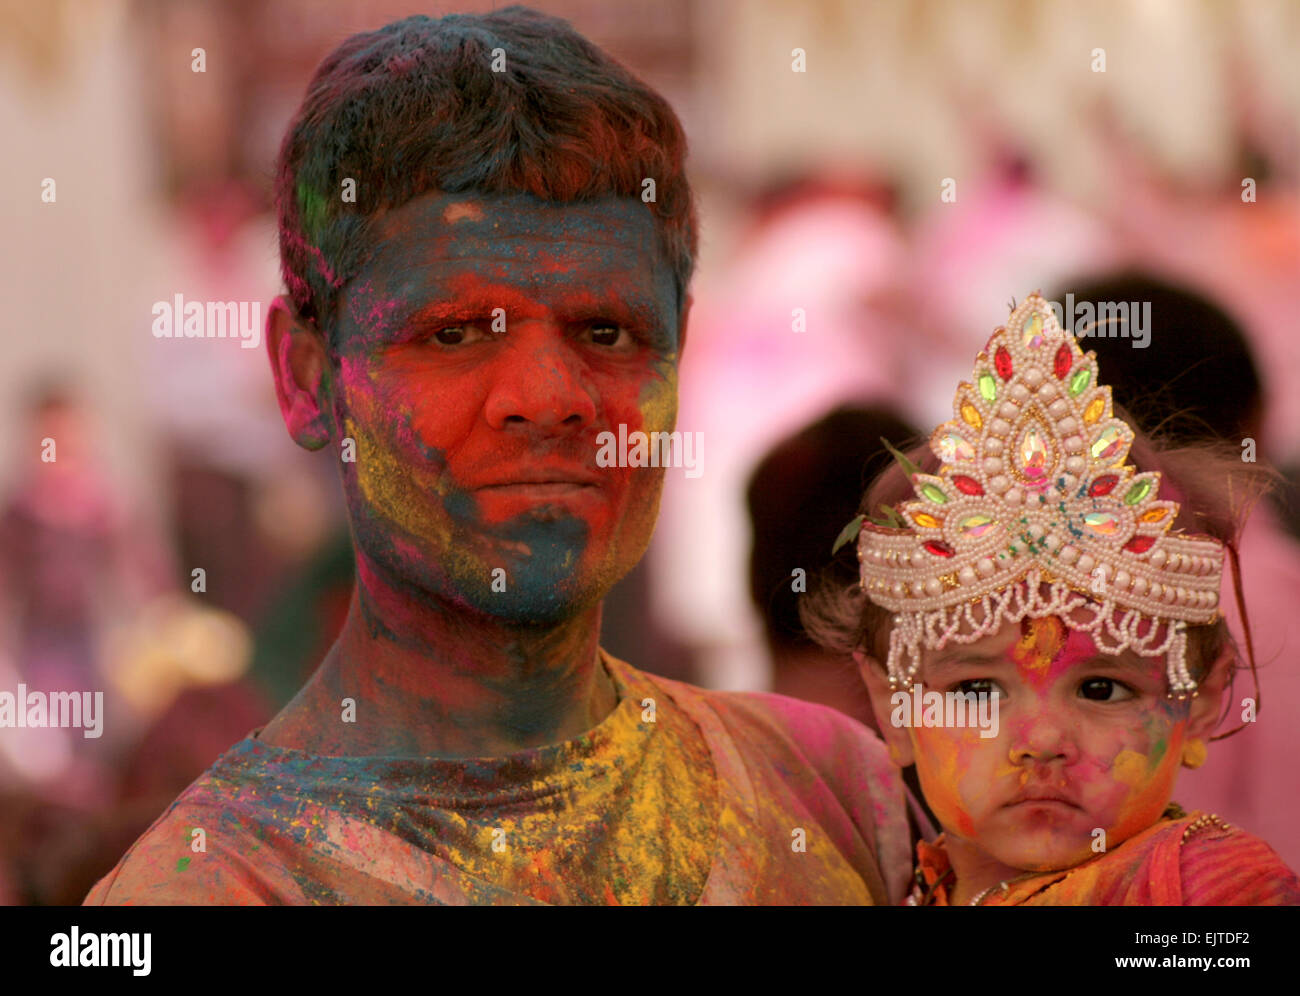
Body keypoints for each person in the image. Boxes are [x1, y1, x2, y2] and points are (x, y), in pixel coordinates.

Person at [85, 8, 910, 906]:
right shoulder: (210, 890)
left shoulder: (830, 790)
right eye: (454, 334)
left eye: (609, 329)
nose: (550, 399)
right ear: (306, 377)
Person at [802, 291, 1300, 905]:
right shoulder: (897, 885)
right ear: (891, 705)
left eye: (1101, 689)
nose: (1041, 742)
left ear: (1199, 700)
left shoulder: (1203, 888)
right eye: (976, 691)